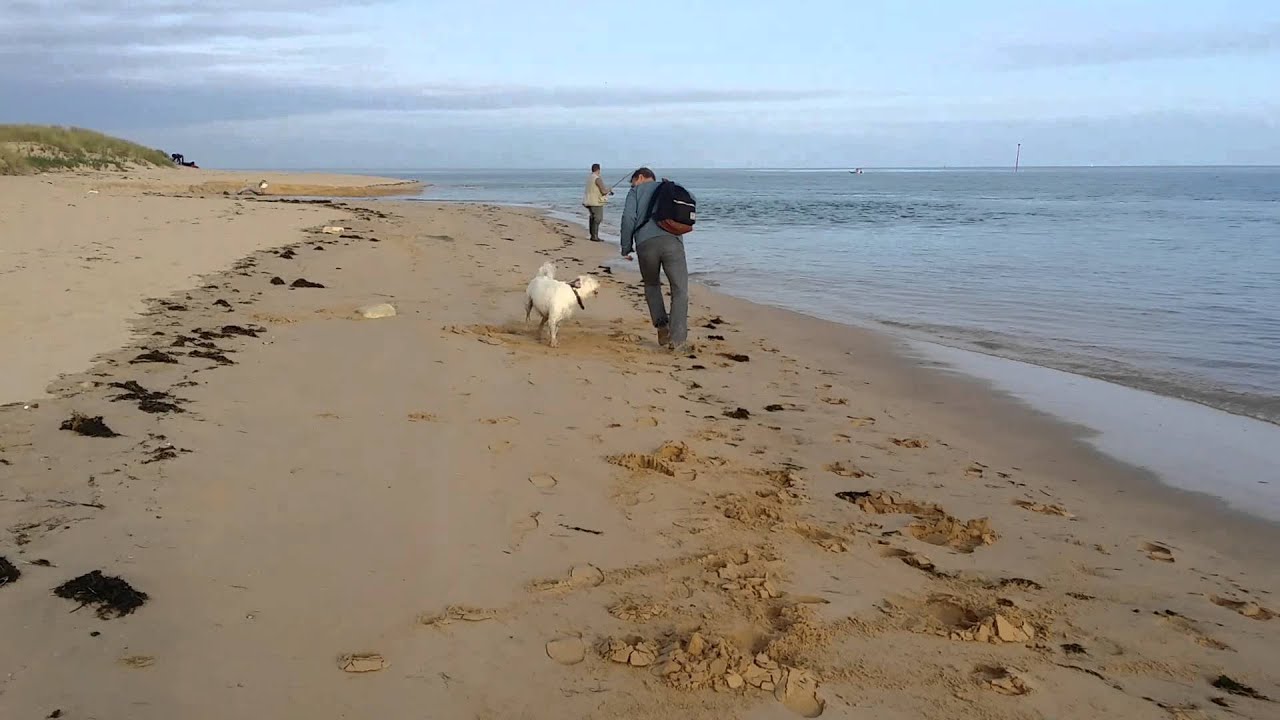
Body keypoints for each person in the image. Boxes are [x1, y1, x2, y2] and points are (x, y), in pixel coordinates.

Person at [620, 167, 691, 352]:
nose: (632, 186)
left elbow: (628, 218)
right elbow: (688, 203)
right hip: (673, 243)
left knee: (652, 285)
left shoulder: (635, 192)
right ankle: (678, 340)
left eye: (632, 182)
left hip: (645, 245)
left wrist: (626, 247)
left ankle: (662, 327)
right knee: (680, 290)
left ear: (640, 177)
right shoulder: (669, 187)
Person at [582, 163, 612, 241]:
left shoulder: (589, 177)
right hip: (596, 202)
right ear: (598, 170)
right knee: (598, 218)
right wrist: (609, 190)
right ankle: (594, 237)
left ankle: (592, 235)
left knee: (592, 217)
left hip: (588, 201)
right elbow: (603, 191)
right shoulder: (597, 179)